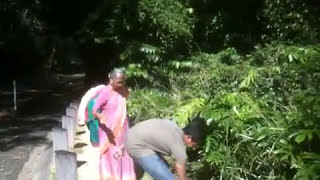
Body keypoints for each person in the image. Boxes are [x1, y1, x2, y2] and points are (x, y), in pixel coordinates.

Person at [124, 117, 206, 180]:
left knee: (162, 167)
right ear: (189, 138)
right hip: (137, 145)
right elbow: (180, 167)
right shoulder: (179, 147)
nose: (194, 148)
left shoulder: (174, 127)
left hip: (131, 134)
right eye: (194, 144)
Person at [92, 68, 136, 180]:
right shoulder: (105, 92)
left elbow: (127, 104)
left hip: (123, 128)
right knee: (112, 155)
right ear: (111, 80)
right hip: (109, 131)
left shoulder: (123, 90)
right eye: (119, 82)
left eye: (123, 81)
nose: (121, 84)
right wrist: (100, 116)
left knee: (124, 152)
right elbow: (94, 110)